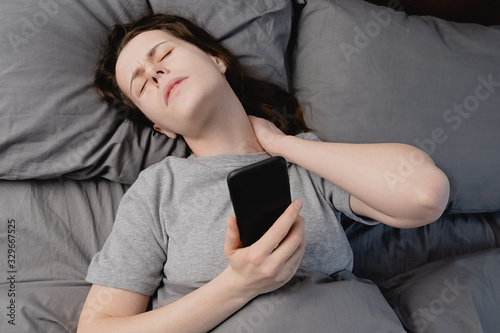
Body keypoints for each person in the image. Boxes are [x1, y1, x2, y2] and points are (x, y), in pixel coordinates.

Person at [77, 13, 450, 333]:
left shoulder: (306, 159)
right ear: (161, 128)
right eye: (142, 84)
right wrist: (238, 286)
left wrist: (282, 144)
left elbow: (425, 193)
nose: (155, 73)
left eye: (165, 55)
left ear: (215, 59)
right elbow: (98, 327)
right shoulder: (158, 190)